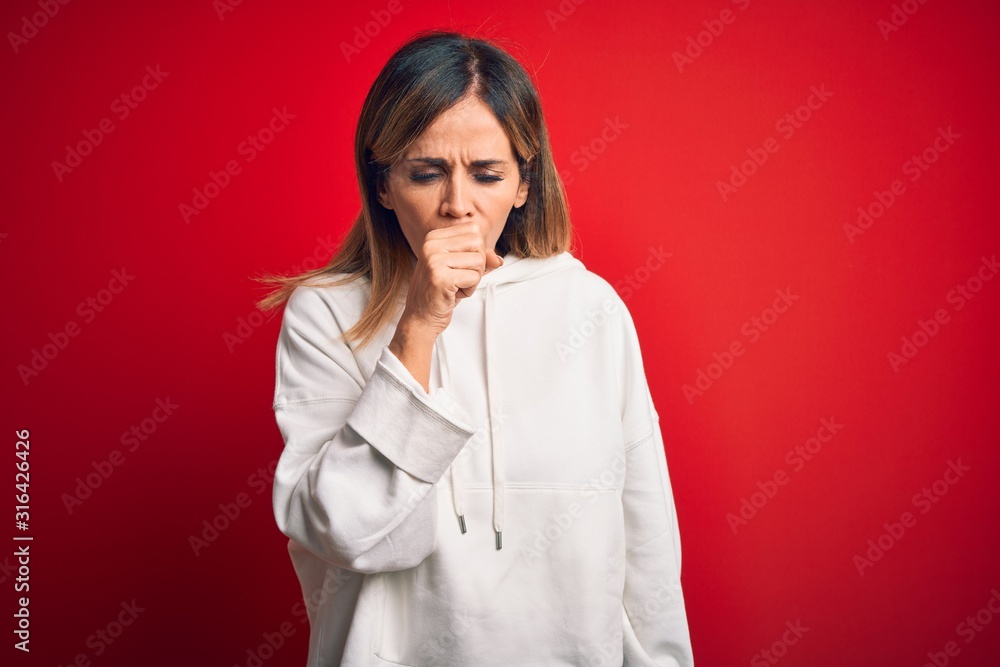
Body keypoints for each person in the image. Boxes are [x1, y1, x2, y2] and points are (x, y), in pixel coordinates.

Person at [257, 28, 694, 667]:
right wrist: (417, 328)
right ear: (382, 185)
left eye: (486, 175)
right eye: (426, 173)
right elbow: (350, 536)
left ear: (523, 184)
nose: (457, 207)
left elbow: (646, 535)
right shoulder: (326, 315)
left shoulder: (590, 309)